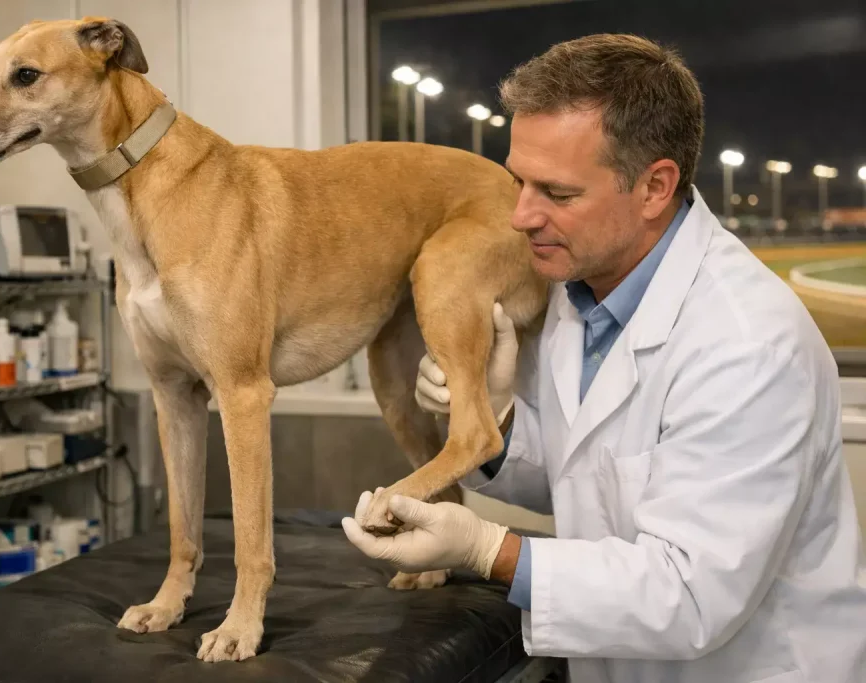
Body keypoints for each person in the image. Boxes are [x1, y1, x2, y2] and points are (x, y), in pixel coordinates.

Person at [342, 33, 866, 682]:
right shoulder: (578, 293)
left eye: (556, 194)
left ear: (654, 187)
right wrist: (501, 424)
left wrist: (488, 549)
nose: (520, 216)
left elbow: (690, 593)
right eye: (517, 181)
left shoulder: (748, 343)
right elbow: (591, 482)